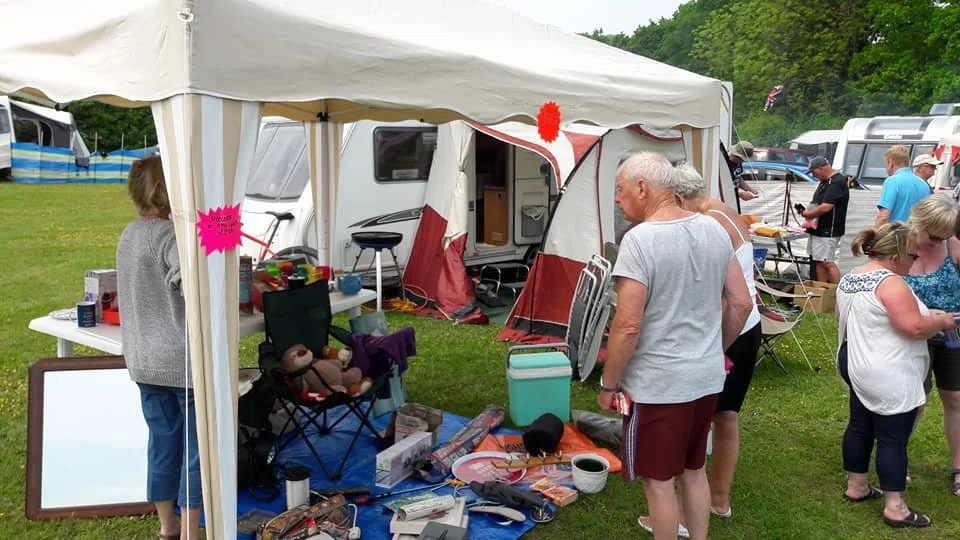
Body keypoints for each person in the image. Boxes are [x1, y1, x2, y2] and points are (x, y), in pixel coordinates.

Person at [599, 152, 753, 540]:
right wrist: (715, 349)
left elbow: (627, 325)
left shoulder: (639, 240)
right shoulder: (714, 229)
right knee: (693, 469)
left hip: (658, 386)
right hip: (706, 379)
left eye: (619, 189)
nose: (616, 198)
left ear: (642, 188)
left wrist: (607, 384)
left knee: (658, 481)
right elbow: (742, 303)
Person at [836, 222, 956, 529]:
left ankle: (857, 485)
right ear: (896, 256)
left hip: (857, 362)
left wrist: (925, 316)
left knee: (860, 427)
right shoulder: (891, 283)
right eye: (913, 256)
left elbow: (854, 317)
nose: (915, 261)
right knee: (892, 438)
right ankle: (896, 507)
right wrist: (941, 321)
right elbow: (912, 327)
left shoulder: (852, 276)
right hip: (887, 369)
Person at [117, 155, 201, 540]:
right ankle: (191, 531)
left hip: (143, 361)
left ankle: (167, 526)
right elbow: (189, 283)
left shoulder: (128, 235)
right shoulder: (169, 235)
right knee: (195, 451)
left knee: (163, 445)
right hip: (181, 362)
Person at [674, 164, 762, 520]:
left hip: (731, 327)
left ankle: (683, 514)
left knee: (693, 421)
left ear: (680, 197)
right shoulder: (725, 210)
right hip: (749, 327)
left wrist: (715, 346)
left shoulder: (708, 224)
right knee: (726, 417)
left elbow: (728, 297)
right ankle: (719, 500)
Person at [903, 194, 960, 497]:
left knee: (956, 398)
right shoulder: (899, 243)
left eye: (943, 235)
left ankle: (959, 468)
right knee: (913, 400)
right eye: (933, 235)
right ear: (918, 222)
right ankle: (897, 457)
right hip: (911, 335)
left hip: (953, 335)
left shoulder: (953, 247)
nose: (937, 241)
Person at [800, 156, 849, 284]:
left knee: (827, 262)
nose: (813, 175)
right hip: (818, 228)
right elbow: (818, 203)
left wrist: (809, 214)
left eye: (813, 172)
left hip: (829, 230)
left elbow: (826, 207)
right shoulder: (825, 182)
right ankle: (821, 289)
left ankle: (836, 290)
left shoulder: (836, 182)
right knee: (819, 260)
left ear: (821, 168)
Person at [875, 145, 930, 226]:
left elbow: (883, 217)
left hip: (896, 232)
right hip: (917, 232)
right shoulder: (924, 184)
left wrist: (875, 233)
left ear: (891, 162)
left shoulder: (892, 181)